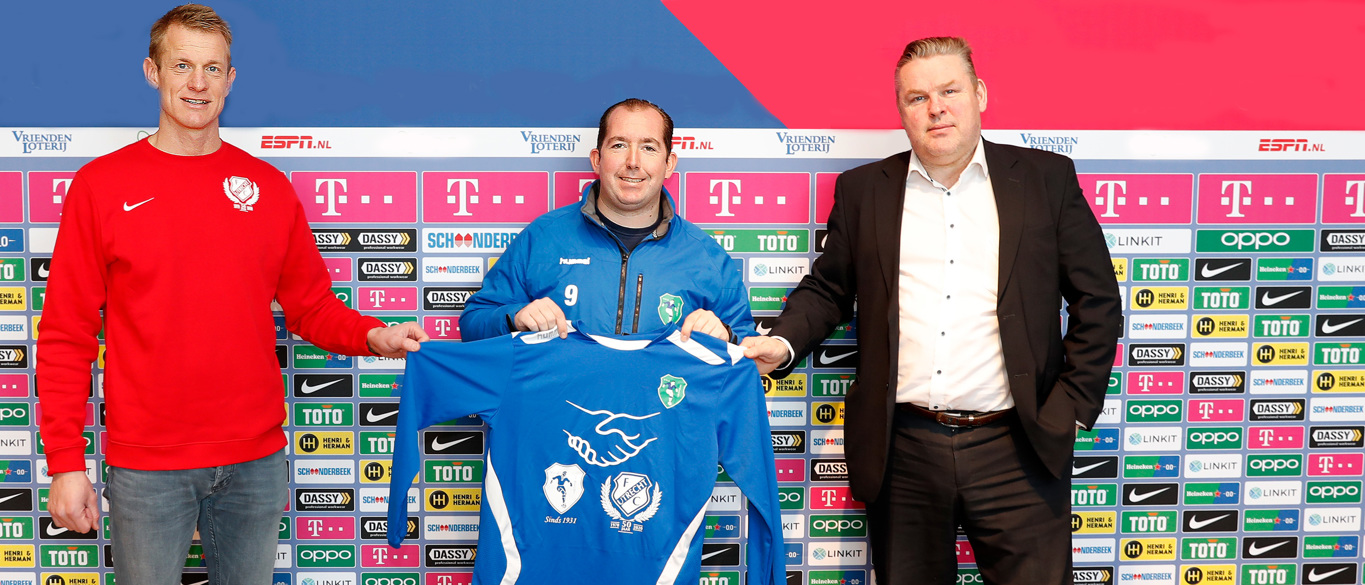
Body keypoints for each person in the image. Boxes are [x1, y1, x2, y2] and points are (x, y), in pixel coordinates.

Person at [36, 4, 428, 583]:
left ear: (230, 79)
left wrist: (374, 335)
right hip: (148, 468)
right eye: (182, 66)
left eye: (213, 68)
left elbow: (312, 306)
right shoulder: (100, 186)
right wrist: (66, 463)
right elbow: (65, 334)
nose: (198, 83)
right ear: (153, 71)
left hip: (255, 464)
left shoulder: (268, 188)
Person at [742, 37, 1122, 584]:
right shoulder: (863, 191)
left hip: (1020, 448)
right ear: (901, 110)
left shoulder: (1046, 179)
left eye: (949, 91)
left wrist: (1068, 410)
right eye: (917, 98)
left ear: (979, 94)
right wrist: (781, 343)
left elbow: (1098, 300)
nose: (936, 108)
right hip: (903, 451)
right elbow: (828, 289)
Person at [460, 98, 754, 343]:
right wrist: (515, 318)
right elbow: (473, 324)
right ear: (597, 160)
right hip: (562, 399)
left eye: (649, 147)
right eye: (619, 145)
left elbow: (748, 348)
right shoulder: (543, 237)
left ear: (669, 165)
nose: (633, 162)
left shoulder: (706, 255)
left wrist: (728, 335)